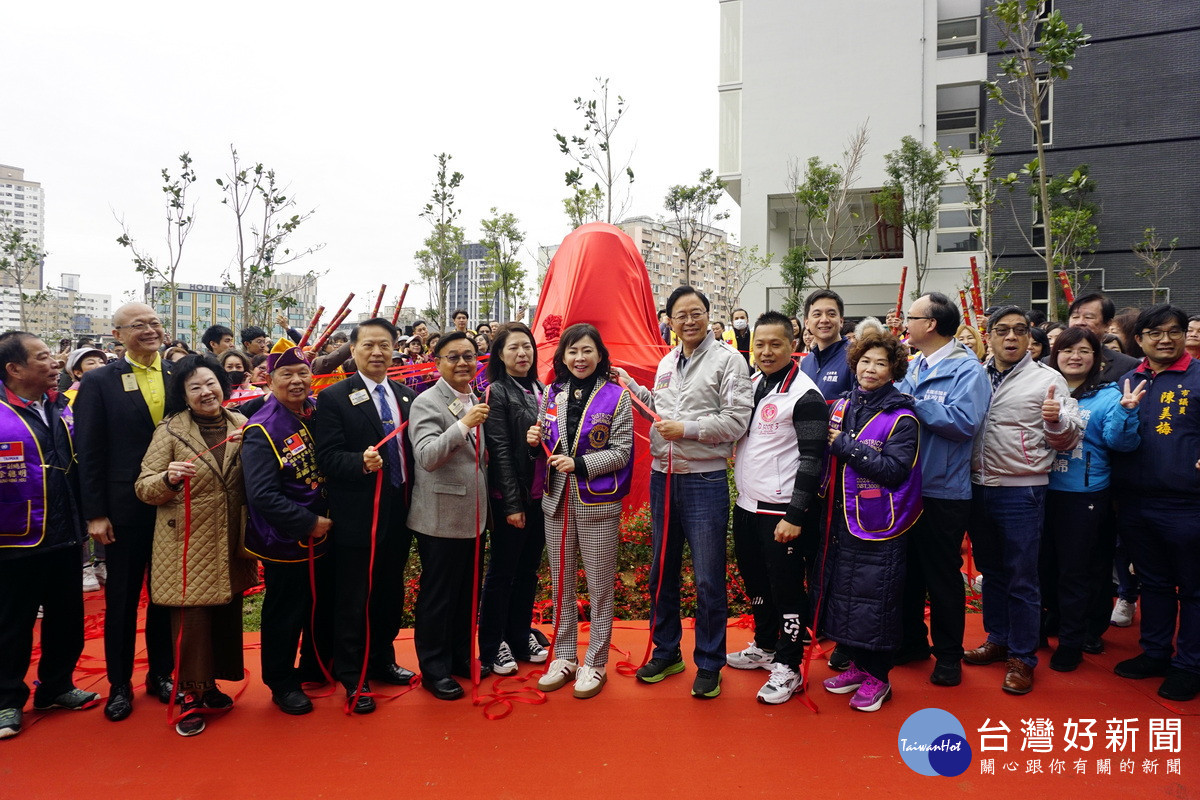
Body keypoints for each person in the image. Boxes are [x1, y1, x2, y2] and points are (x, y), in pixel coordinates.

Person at [621, 286, 752, 699]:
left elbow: (737, 421)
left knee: (709, 577)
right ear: (670, 320)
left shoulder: (729, 361)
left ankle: (710, 662)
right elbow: (661, 413)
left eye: (696, 312)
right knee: (662, 571)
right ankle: (666, 651)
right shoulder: (665, 361)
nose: (689, 320)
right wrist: (630, 387)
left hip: (704, 479)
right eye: (681, 315)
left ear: (709, 315)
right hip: (664, 477)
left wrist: (688, 429)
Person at [135, 355, 256, 737]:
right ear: (184, 396)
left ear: (223, 384)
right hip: (186, 540)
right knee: (192, 622)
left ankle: (210, 687)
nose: (206, 392)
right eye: (195, 387)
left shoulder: (242, 424)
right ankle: (188, 694)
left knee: (224, 615)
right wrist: (168, 479)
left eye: (211, 383)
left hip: (229, 537)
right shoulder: (170, 431)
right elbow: (143, 487)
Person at [964, 306, 1083, 695]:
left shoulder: (1048, 380)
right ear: (990, 335)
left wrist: (1055, 422)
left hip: (1022, 488)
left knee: (1022, 576)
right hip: (977, 485)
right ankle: (997, 638)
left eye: (1019, 330)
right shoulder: (974, 374)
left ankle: (1022, 657)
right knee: (992, 571)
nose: (1010, 337)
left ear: (1030, 336)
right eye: (1002, 330)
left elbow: (1069, 439)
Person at [75, 303, 176, 722]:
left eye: (155, 322)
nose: (151, 330)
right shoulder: (99, 381)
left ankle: (161, 674)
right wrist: (95, 512)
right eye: (139, 325)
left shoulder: (178, 374)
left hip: (172, 501)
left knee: (166, 597)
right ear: (118, 335)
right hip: (123, 508)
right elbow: (89, 452)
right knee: (122, 598)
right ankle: (119, 683)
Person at [314, 318, 418, 713]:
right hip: (359, 513)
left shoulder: (407, 395)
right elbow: (327, 457)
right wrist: (359, 462)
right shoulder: (335, 397)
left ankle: (382, 660)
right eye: (369, 345)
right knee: (354, 596)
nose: (378, 353)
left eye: (385, 346)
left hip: (400, 508)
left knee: (389, 591)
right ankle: (353, 676)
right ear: (353, 349)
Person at [0, 332, 101, 740]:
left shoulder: (62, 406)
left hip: (65, 531)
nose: (55, 362)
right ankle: (6, 699)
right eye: (43, 357)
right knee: (12, 622)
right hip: (13, 538)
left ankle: (56, 686)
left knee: (66, 617)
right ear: (15, 369)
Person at [725, 312, 826, 704]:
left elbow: (812, 460)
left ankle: (790, 664)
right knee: (757, 583)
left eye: (775, 344)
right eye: (760, 345)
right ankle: (765, 645)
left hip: (781, 510)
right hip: (747, 504)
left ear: (792, 344)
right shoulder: (754, 384)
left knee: (786, 590)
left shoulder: (806, 396)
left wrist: (795, 515)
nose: (765, 352)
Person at [529, 324, 633, 699]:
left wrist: (581, 465)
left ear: (600, 355)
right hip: (556, 500)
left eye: (587, 351)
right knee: (561, 585)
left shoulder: (617, 397)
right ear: (563, 357)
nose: (579, 358)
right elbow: (544, 440)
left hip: (598, 501)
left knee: (601, 586)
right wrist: (533, 440)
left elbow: (621, 452)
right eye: (573, 352)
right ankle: (566, 656)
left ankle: (596, 661)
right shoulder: (552, 394)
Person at [819, 330, 922, 712]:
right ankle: (859, 665)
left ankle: (880, 677)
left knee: (876, 599)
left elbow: (895, 471)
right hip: (843, 517)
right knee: (847, 594)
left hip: (881, 523)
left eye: (880, 363)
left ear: (894, 369)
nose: (871, 369)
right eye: (865, 361)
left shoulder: (902, 416)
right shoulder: (845, 404)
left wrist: (844, 445)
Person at [893, 293, 992, 688]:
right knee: (907, 573)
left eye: (911, 317)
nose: (905, 324)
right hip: (904, 487)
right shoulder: (913, 364)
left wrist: (912, 403)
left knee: (942, 577)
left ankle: (948, 654)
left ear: (931, 324)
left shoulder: (968, 371)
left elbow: (964, 422)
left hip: (943, 491)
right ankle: (912, 641)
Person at [1111, 304, 1200, 701]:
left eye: (1174, 331)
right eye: (1155, 333)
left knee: (1194, 589)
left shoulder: (1198, 378)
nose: (1165, 339)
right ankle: (1155, 653)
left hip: (1188, 503)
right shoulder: (1130, 380)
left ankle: (1190, 665)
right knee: (1155, 583)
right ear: (1140, 339)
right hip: (1135, 501)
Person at [1042, 327, 1143, 672]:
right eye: (1068, 350)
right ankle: (1054, 620)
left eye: (1084, 350)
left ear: (1097, 359)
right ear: (1055, 355)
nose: (1075, 356)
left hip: (1083, 495)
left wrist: (1128, 412)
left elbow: (1121, 442)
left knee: (1077, 571)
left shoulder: (1109, 396)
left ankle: (1073, 640)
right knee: (1046, 565)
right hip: (1039, 489)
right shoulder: (1043, 388)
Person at [243, 341, 333, 715]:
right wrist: (309, 523)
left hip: (326, 533)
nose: (297, 381)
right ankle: (281, 682)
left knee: (320, 603)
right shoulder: (262, 428)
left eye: (302, 373)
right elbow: (261, 495)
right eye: (287, 374)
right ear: (269, 378)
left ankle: (314, 666)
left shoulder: (315, 411)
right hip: (286, 537)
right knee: (285, 611)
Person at [407, 331, 490, 701]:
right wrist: (463, 425)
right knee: (439, 596)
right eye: (453, 356)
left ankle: (460, 658)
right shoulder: (426, 402)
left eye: (469, 356)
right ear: (437, 361)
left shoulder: (475, 396)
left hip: (473, 516)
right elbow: (426, 456)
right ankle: (434, 669)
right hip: (439, 517)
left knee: (467, 594)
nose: (462, 363)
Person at [479, 324, 550, 676]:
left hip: (542, 497)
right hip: (515, 497)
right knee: (502, 573)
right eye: (513, 348)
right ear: (500, 355)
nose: (522, 354)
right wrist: (511, 505)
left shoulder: (541, 389)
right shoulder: (497, 391)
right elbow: (501, 451)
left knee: (527, 572)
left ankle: (520, 634)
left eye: (527, 347)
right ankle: (493, 644)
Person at [1064, 292, 1141, 382]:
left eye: (1088, 317)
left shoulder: (1128, 366)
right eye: (1075, 316)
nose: (1079, 322)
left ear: (1107, 324)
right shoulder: (1048, 362)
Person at [799, 289, 854, 401]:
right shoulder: (806, 362)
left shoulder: (855, 357)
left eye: (831, 314)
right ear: (807, 323)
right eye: (817, 314)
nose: (824, 320)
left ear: (841, 321)